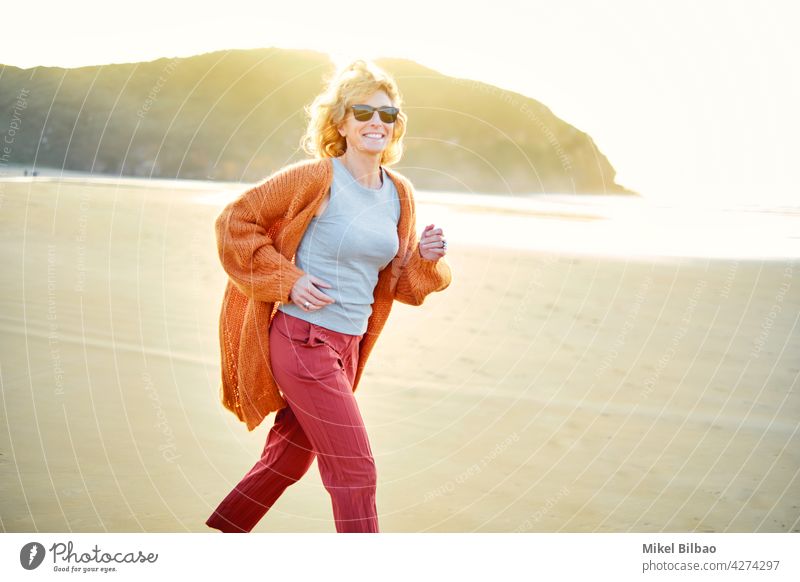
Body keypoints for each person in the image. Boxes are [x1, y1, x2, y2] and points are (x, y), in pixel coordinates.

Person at [205, 59, 453, 533]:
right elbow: (234, 222)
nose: (376, 123)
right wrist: (288, 280)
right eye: (364, 112)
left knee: (287, 462)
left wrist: (423, 257)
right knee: (356, 469)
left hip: (348, 347)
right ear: (340, 121)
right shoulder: (314, 178)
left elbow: (398, 284)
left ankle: (223, 532)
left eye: (388, 114)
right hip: (303, 342)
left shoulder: (399, 193)